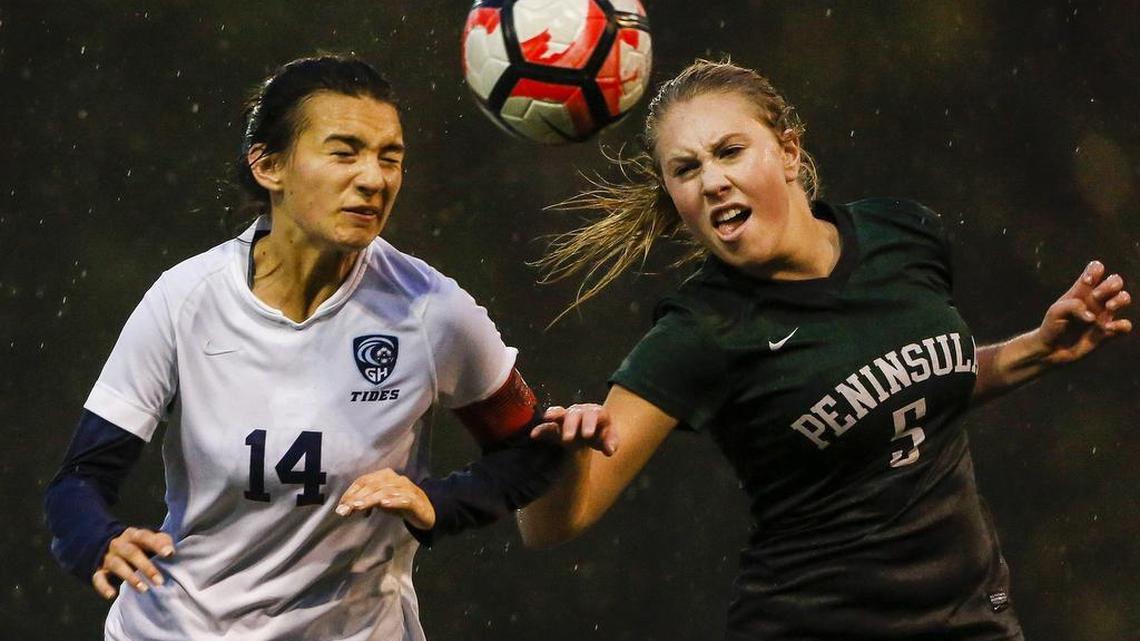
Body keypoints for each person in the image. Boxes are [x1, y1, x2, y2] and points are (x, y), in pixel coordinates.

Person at [519, 59, 1132, 640]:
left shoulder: (904, 236)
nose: (712, 181)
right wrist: (564, 459)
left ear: (788, 150)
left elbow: (910, 390)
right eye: (686, 169)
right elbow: (548, 526)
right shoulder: (699, 332)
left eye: (730, 151)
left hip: (972, 619)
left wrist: (1037, 351)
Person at [42, 55, 607, 641]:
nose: (374, 178)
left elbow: (529, 451)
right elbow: (78, 481)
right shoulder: (186, 300)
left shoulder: (431, 310)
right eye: (345, 152)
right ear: (268, 166)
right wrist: (98, 541)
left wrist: (440, 502)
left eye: (391, 157)